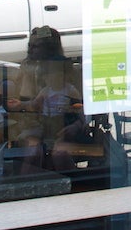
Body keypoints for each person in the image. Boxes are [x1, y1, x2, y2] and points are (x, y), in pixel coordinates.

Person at [6, 26, 87, 171]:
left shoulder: (68, 75)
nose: (30, 50)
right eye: (29, 45)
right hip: (38, 126)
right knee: (33, 152)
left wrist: (75, 126)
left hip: (64, 128)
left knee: (59, 154)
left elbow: (82, 108)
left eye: (36, 46)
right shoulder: (27, 69)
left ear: (49, 49)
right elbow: (29, 103)